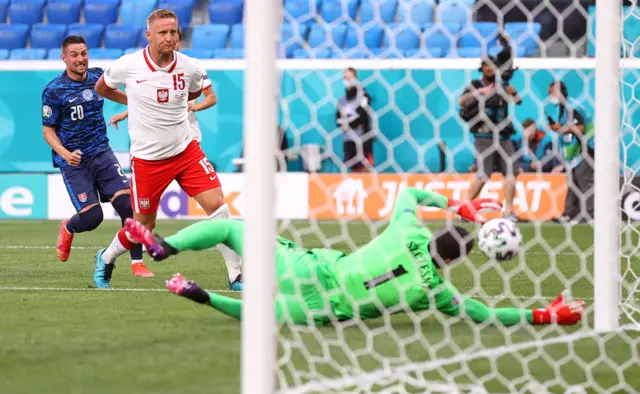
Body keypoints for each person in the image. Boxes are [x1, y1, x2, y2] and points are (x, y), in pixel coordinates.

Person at [123, 189, 584, 327]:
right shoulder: (436, 291)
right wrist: (543, 314)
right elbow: (483, 313)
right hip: (329, 310)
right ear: (456, 262)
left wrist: (458, 207)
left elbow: (409, 193)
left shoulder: (408, 228)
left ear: (433, 234)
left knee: (230, 227)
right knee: (264, 316)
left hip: (314, 267)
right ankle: (202, 296)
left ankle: (167, 247)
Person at [94, 9, 243, 290]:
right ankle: (106, 257)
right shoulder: (128, 64)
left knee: (218, 208)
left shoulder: (190, 66)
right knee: (143, 227)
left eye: (174, 32)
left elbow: (196, 92)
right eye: (163, 32)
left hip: (186, 152)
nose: (170, 37)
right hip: (148, 160)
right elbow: (102, 86)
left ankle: (236, 276)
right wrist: (131, 100)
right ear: (148, 35)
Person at [41, 35, 152, 279]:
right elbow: (47, 131)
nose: (80, 59)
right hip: (75, 162)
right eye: (74, 55)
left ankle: (137, 263)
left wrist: (137, 105)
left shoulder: (98, 77)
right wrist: (66, 154)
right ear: (64, 58)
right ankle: (68, 227)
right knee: (92, 218)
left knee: (128, 206)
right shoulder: (54, 90)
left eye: (83, 53)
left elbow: (124, 96)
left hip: (102, 152)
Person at [458, 57, 523, 221]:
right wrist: (480, 93)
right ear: (482, 68)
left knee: (511, 172)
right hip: (483, 134)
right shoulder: (475, 84)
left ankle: (508, 211)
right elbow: (461, 101)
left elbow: (518, 101)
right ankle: (464, 209)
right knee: (483, 174)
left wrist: (513, 93)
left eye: (493, 66)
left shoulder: (502, 85)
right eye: (487, 66)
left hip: (503, 134)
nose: (490, 69)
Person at [546, 81, 595, 224]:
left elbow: (579, 128)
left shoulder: (571, 107)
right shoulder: (564, 107)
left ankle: (593, 214)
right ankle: (569, 213)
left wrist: (559, 128)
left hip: (586, 149)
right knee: (572, 181)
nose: (550, 96)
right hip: (577, 152)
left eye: (552, 93)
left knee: (585, 181)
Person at [336, 67, 374, 173]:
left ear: (356, 78)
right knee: (353, 170)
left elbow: (363, 117)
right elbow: (337, 120)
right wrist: (350, 123)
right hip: (348, 140)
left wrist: (346, 122)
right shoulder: (342, 100)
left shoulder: (363, 96)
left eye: (349, 77)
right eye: (344, 78)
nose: (347, 80)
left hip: (363, 139)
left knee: (364, 169)